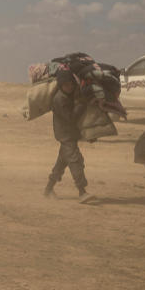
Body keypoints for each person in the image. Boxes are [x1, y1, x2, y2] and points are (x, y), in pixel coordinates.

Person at [44, 70, 93, 202]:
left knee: (61, 163)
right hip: (65, 136)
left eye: (71, 84)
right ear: (61, 85)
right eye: (66, 85)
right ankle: (82, 192)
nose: (69, 86)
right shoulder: (59, 99)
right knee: (75, 161)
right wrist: (81, 106)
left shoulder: (68, 96)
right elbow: (70, 118)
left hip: (69, 135)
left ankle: (48, 190)